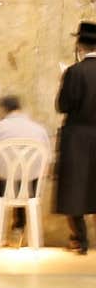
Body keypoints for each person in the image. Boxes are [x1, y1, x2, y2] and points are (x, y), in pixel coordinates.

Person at [0, 94, 50, 239]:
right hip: (31, 190)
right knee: (23, 182)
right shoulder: (40, 130)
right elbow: (46, 169)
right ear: (20, 108)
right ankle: (18, 228)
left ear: (3, 110)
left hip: (0, 188)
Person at [55, 20, 96, 255]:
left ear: (80, 44)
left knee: (75, 187)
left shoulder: (74, 71)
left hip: (78, 137)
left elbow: (63, 105)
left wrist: (64, 80)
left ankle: (80, 240)